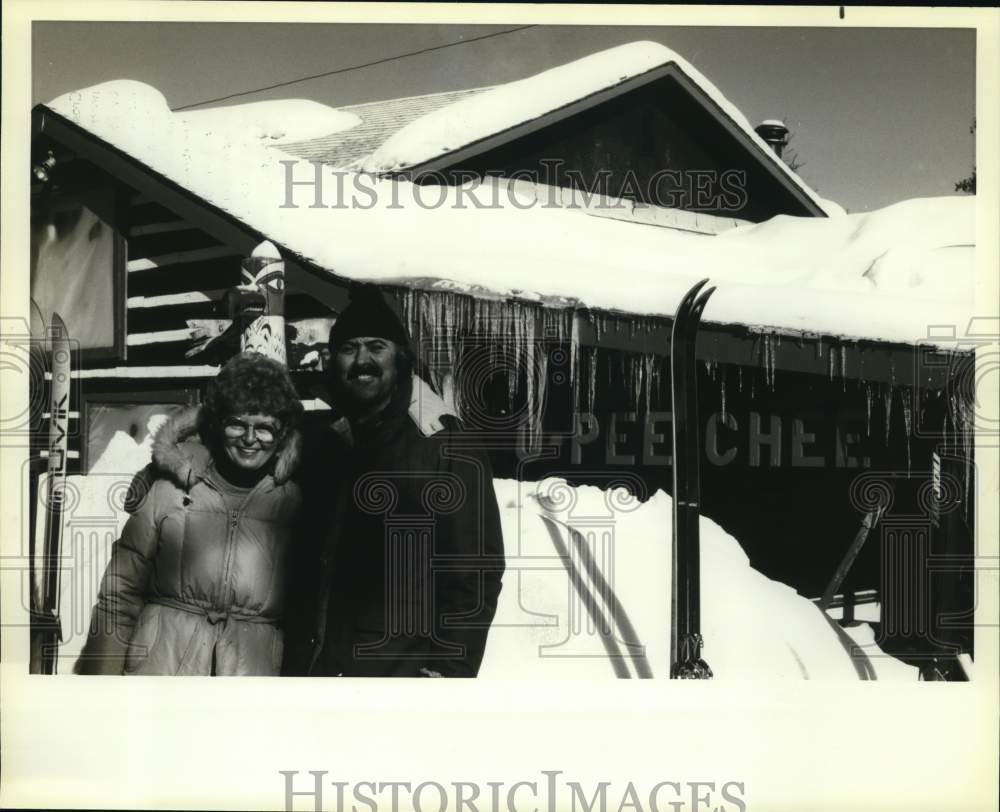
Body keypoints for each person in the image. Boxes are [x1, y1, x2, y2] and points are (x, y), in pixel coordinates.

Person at [285, 286, 505, 677]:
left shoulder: (446, 445)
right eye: (349, 348)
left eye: (376, 346)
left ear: (401, 357)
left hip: (398, 677)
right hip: (317, 672)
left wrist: (449, 670)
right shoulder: (327, 439)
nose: (362, 360)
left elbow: (474, 573)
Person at [75, 352, 303, 676]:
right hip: (159, 674)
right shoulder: (169, 489)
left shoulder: (294, 503)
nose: (250, 439)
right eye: (237, 424)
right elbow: (119, 595)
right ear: (218, 424)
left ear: (282, 436)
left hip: (249, 684)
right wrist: (103, 689)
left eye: (265, 428)